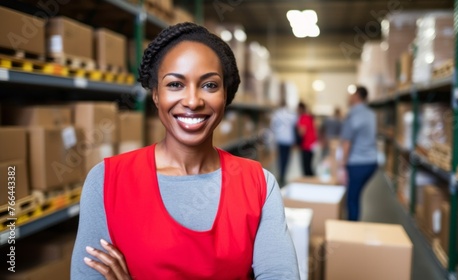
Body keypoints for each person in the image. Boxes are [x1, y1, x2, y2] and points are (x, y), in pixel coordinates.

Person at [71, 22, 299, 280]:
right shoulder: (106, 180)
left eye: (210, 85)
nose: (192, 101)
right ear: (156, 94)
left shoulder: (259, 184)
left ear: (226, 95)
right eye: (175, 85)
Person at [340, 85, 378, 221]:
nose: (349, 97)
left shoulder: (352, 115)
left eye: (351, 94)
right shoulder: (371, 114)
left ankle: (352, 228)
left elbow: (347, 142)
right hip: (372, 162)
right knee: (355, 195)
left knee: (352, 199)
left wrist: (343, 163)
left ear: (356, 96)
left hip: (358, 163)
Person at [270, 99, 297, 186]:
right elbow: (295, 124)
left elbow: (272, 126)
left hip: (280, 139)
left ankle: (280, 175)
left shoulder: (276, 114)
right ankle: (284, 174)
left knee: (280, 158)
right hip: (289, 140)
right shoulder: (291, 114)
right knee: (287, 158)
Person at [296, 102, 317, 176]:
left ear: (300, 109)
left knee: (306, 166)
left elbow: (302, 132)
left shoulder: (303, 118)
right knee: (309, 165)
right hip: (312, 144)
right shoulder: (309, 117)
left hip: (307, 145)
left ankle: (309, 181)